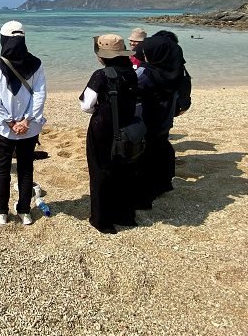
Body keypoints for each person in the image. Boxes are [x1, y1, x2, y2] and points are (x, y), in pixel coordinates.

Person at [0, 21, 47, 226]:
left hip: (4, 127)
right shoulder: (36, 63)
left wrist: (11, 122)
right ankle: (24, 211)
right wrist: (27, 119)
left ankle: (1, 211)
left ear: (4, 40)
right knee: (25, 168)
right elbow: (40, 95)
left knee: (3, 169)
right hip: (29, 128)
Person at [79, 34, 139, 234]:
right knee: (123, 169)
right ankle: (124, 215)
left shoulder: (101, 75)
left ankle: (102, 220)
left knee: (100, 170)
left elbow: (86, 105)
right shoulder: (131, 73)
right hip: (128, 125)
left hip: (103, 127)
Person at [134, 31, 187, 205]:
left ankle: (145, 194)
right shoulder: (174, 70)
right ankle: (163, 185)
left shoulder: (147, 75)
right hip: (165, 120)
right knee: (160, 148)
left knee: (145, 155)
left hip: (148, 120)